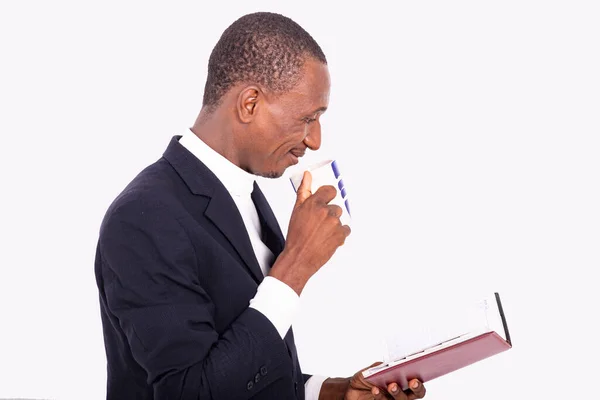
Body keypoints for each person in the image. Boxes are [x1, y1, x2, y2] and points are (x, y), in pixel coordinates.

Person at [94, 11, 427, 400]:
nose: (315, 140)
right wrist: (294, 268)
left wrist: (330, 392)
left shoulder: (245, 193)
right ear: (249, 103)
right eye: (308, 118)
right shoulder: (142, 219)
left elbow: (236, 362)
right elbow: (190, 392)